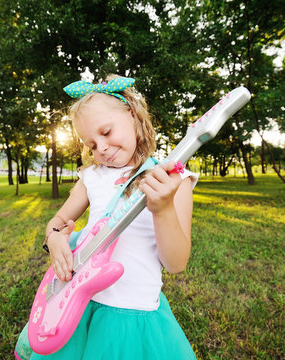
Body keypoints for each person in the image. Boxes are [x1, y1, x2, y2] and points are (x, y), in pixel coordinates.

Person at [15, 75, 198, 360]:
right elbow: (57, 221)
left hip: (135, 315)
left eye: (106, 131)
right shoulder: (92, 176)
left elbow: (176, 263)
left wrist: (161, 209)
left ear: (132, 115)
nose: (100, 147)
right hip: (84, 306)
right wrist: (54, 239)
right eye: (90, 144)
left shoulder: (174, 179)